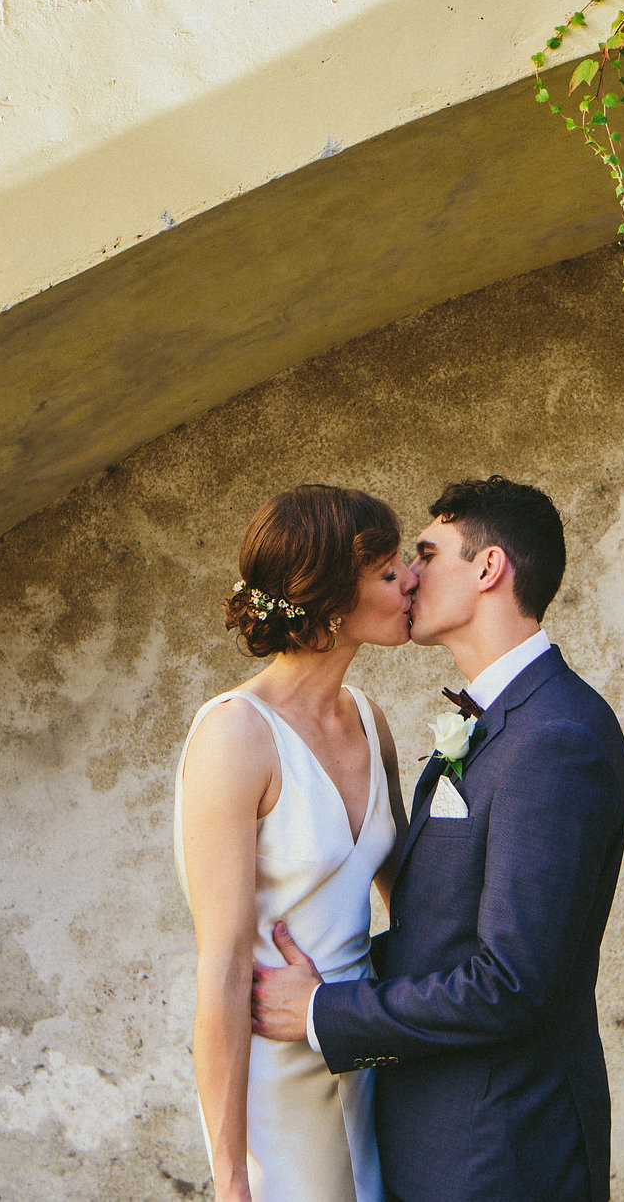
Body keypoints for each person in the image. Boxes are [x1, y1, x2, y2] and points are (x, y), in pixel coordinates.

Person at [252, 476, 624, 1202]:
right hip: (438, 1141)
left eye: (427, 553)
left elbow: (511, 983)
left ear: (489, 568)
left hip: (502, 1155)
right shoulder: (495, 721)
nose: (409, 574)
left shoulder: (556, 736)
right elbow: (442, 929)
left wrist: (321, 1010)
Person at [174, 484, 414, 1202]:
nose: (411, 582)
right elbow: (218, 966)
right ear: (335, 599)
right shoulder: (236, 735)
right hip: (275, 1078)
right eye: (389, 570)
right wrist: (231, 1176)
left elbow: (414, 900)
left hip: (363, 1048)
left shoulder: (371, 721)